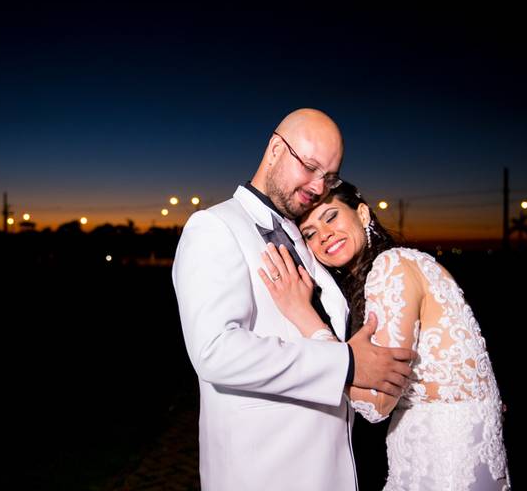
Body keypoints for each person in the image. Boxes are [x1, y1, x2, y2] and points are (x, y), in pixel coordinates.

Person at [172, 109, 416, 490]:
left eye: (329, 177)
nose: (319, 187)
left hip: (333, 468)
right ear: (274, 149)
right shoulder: (215, 226)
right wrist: (346, 364)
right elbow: (215, 350)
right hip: (262, 471)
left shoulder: (305, 234)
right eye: (310, 167)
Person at [258, 181, 510, 490]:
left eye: (331, 216)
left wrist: (303, 316)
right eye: (309, 233)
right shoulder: (401, 265)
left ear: (362, 214)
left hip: (444, 465)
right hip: (451, 453)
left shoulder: (392, 266)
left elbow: (375, 405)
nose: (323, 235)